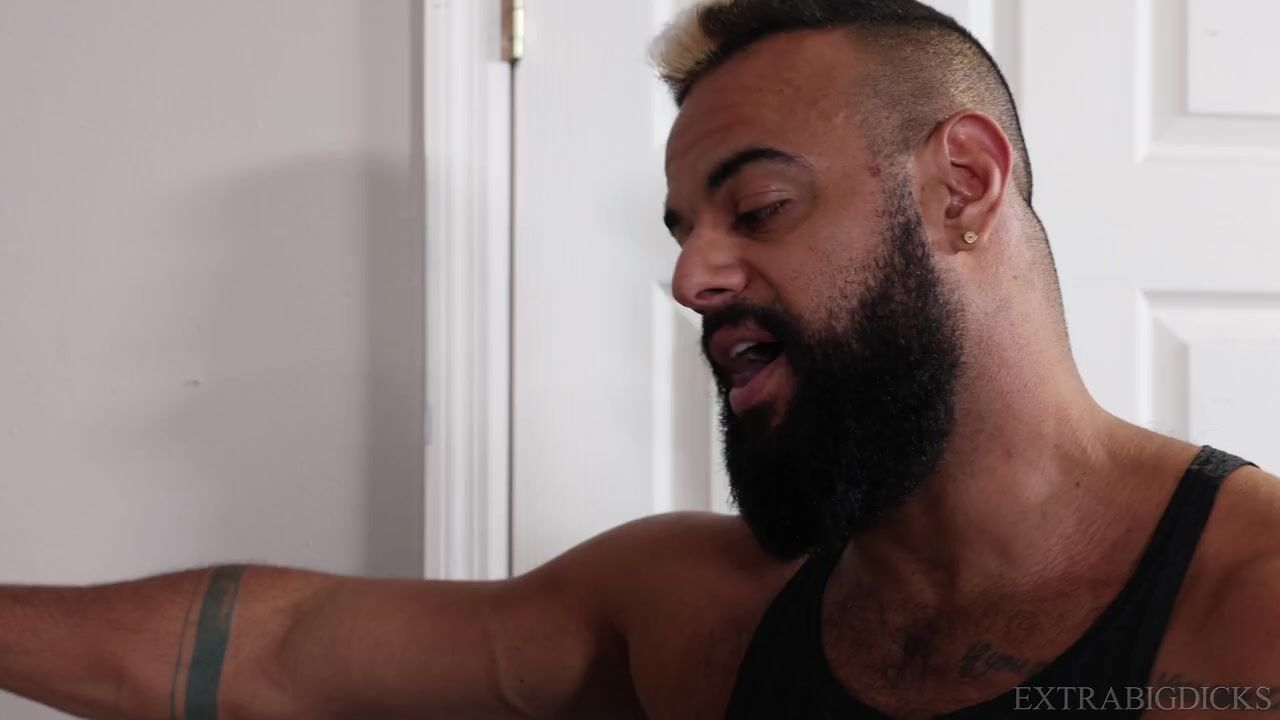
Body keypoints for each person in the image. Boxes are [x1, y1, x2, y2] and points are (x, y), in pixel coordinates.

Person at [4, 1, 1277, 718]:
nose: (690, 279)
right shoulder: (695, 607)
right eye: (681, 231)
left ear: (960, 184)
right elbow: (284, 649)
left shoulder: (1249, 609)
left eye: (758, 207)